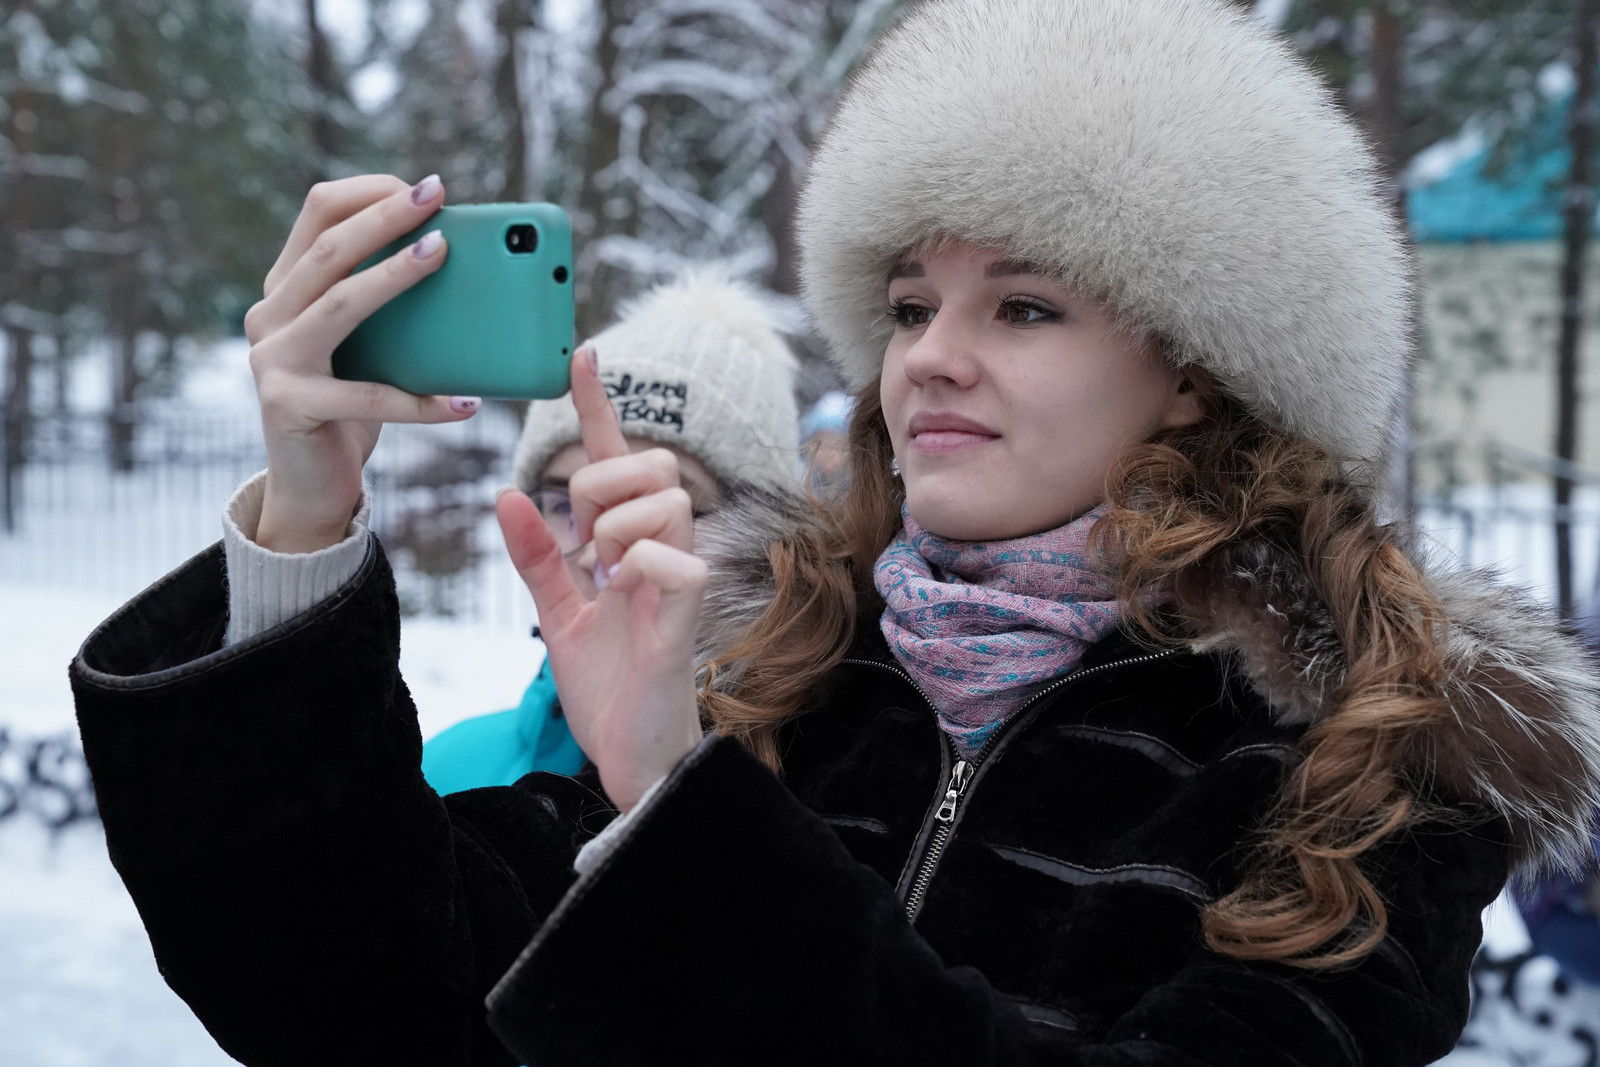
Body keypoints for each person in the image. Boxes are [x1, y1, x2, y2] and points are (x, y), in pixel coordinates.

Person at [69, 1, 1600, 1064]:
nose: (929, 355)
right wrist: (306, 522)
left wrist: (686, 821)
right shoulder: (780, 671)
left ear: (1199, 368)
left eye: (1023, 305)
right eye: (912, 303)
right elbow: (360, 1005)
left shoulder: (1365, 762)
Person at [419, 269, 800, 793]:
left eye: (654, 506)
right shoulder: (445, 773)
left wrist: (671, 793)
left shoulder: (836, 791)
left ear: (762, 546)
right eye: (565, 503)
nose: (599, 550)